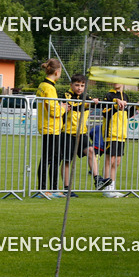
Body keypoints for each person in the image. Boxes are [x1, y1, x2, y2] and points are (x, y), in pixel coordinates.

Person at [99, 82, 139, 198]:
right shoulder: (109, 96)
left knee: (117, 161)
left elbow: (127, 114)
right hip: (111, 132)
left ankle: (113, 187)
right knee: (109, 160)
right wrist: (116, 104)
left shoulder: (125, 96)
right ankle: (107, 188)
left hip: (122, 133)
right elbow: (105, 113)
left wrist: (136, 107)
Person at [62, 74, 98, 194]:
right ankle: (67, 188)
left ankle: (97, 179)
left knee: (91, 151)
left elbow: (95, 103)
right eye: (77, 85)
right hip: (67, 133)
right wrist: (88, 103)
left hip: (82, 133)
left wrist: (94, 102)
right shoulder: (66, 95)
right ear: (71, 85)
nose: (79, 88)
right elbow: (72, 106)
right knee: (67, 160)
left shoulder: (86, 97)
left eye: (82, 86)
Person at [35, 58, 66, 197]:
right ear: (57, 72)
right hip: (51, 128)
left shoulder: (42, 85)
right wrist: (64, 108)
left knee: (54, 157)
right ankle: (43, 189)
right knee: (49, 158)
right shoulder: (49, 88)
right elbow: (54, 111)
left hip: (49, 127)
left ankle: (52, 188)